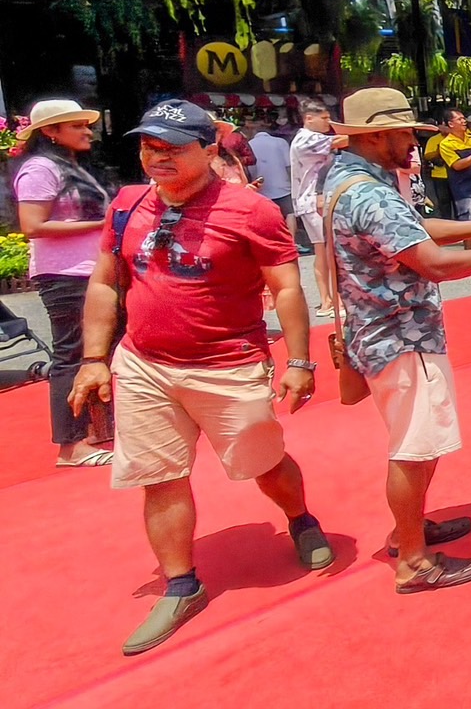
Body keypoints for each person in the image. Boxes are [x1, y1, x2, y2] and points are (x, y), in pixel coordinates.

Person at [71, 99, 329, 654]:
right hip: (143, 364)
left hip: (228, 366)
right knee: (158, 477)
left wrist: (301, 361)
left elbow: (286, 288)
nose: (156, 157)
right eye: (148, 146)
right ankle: (182, 583)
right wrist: (94, 358)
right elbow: (103, 283)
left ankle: (300, 518)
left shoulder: (250, 211)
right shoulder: (126, 204)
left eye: (172, 148)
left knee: (264, 465)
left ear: (210, 149)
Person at [324, 87, 471, 594]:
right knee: (415, 446)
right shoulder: (372, 193)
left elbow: (410, 231)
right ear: (376, 135)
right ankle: (414, 561)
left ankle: (413, 530)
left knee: (418, 441)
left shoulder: (349, 180)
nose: (414, 143)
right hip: (402, 335)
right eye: (405, 133)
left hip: (379, 332)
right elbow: (433, 263)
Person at [13, 99, 113, 467]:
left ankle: (98, 433)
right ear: (50, 132)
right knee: (72, 354)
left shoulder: (75, 167)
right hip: (65, 275)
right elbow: (32, 226)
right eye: (76, 126)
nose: (87, 131)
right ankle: (71, 445)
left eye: (86, 125)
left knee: (101, 349)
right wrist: (101, 225)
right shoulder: (40, 169)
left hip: (92, 271)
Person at [289, 99, 346, 317]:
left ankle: (327, 301)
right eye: (324, 118)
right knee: (329, 252)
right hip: (315, 200)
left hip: (310, 200)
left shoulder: (306, 138)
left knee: (322, 252)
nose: (328, 122)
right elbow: (339, 141)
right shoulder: (306, 139)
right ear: (309, 118)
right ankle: (334, 301)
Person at [247, 118, 299, 249]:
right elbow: (288, 165)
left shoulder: (250, 144)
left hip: (262, 187)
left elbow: (249, 168)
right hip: (283, 185)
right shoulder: (280, 142)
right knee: (289, 214)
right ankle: (291, 243)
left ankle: (271, 243)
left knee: (267, 217)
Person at [423, 120, 452, 218]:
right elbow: (427, 156)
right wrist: (439, 151)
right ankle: (446, 222)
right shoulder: (433, 140)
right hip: (439, 175)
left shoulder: (456, 138)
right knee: (443, 202)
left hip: (456, 175)